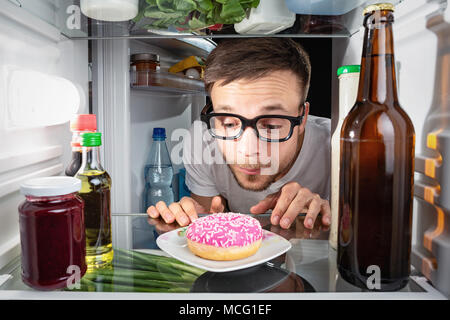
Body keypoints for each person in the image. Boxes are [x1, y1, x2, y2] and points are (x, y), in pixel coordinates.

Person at [147, 38, 331, 230]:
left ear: (302, 117)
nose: (248, 151)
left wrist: (332, 221)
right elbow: (209, 225)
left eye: (271, 126)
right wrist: (191, 222)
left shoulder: (338, 147)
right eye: (228, 123)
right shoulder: (203, 139)